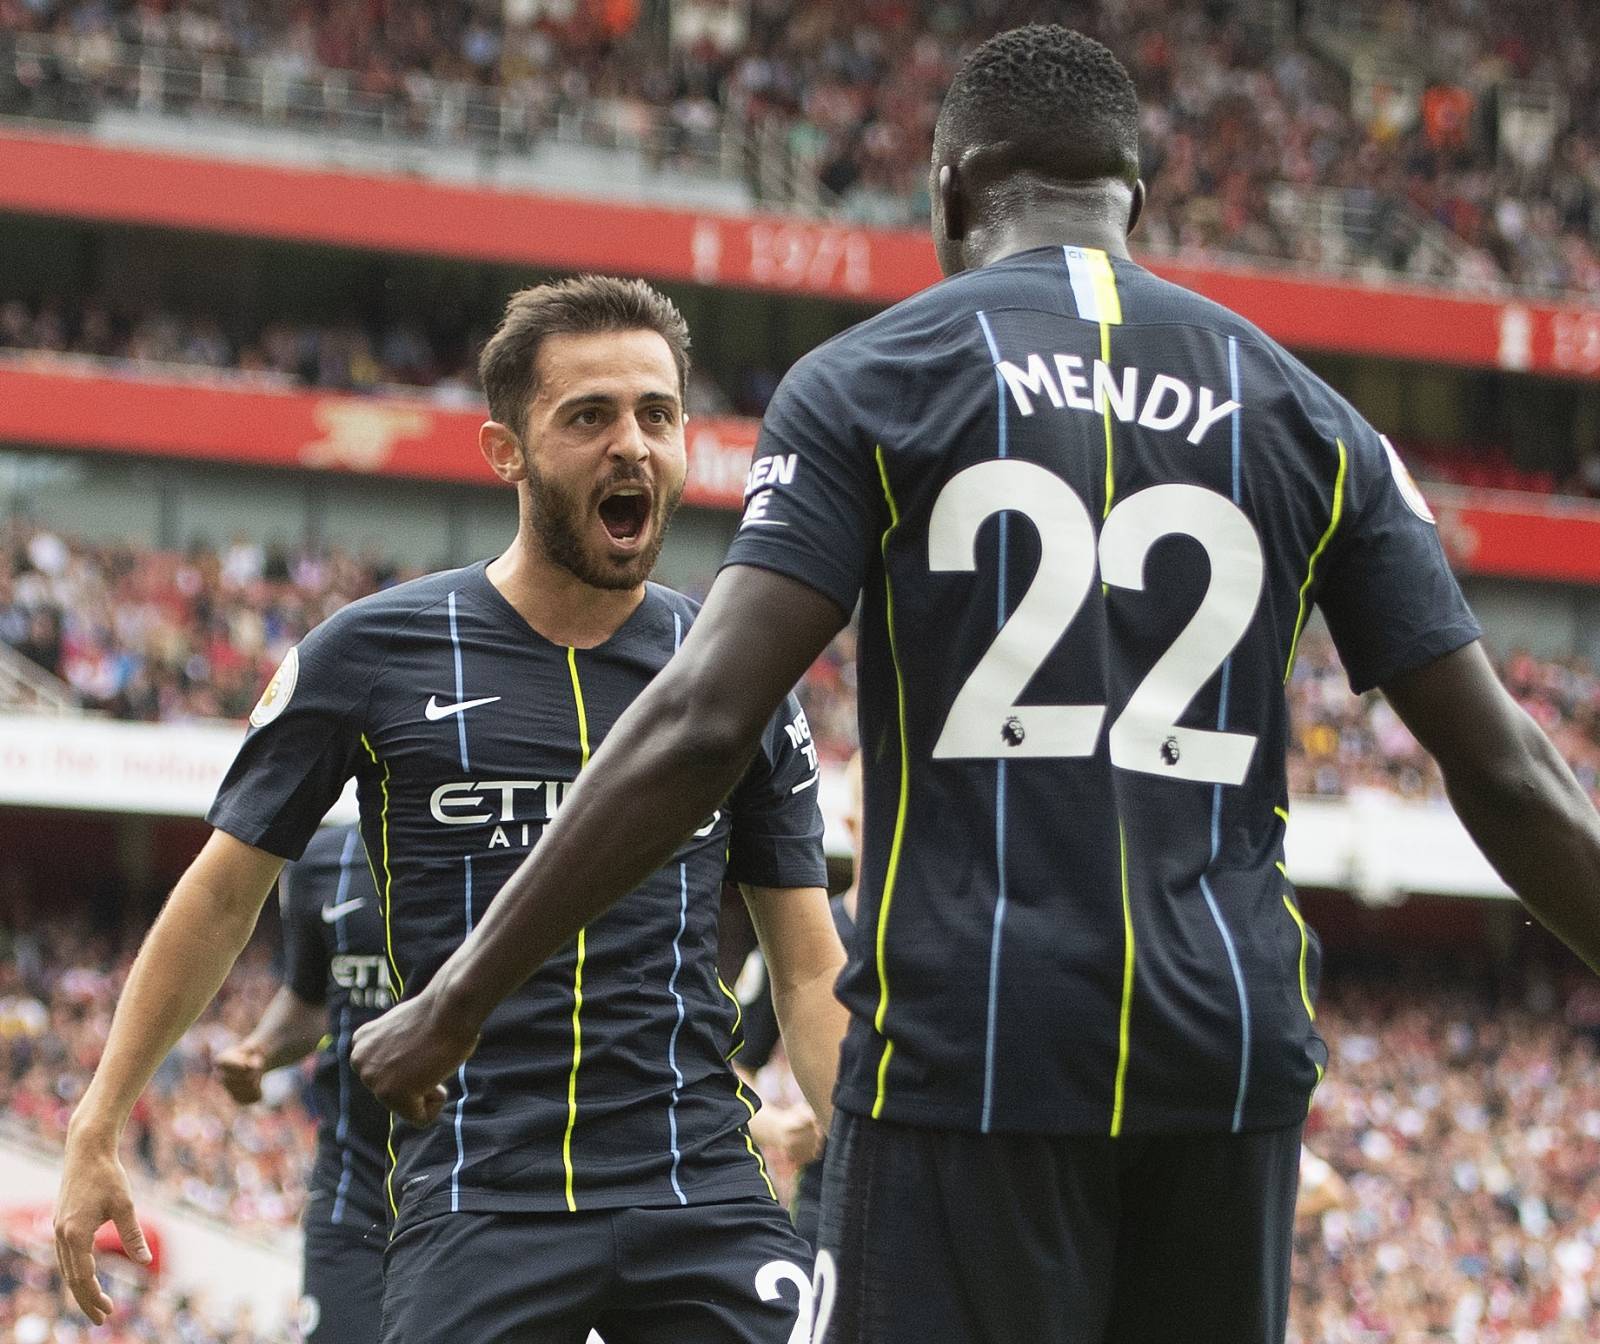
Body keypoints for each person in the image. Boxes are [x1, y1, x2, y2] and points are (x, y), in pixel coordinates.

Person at [350, 26, 1600, 1344]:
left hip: (971, 1059)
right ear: (1136, 196)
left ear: (949, 190)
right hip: (1227, 1069)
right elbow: (1509, 774)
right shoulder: (1312, 417)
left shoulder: (869, 384)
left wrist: (456, 998)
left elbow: (705, 719)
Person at [54, 275, 849, 1344]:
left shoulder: (735, 670)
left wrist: (869, 1161)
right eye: (589, 416)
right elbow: (221, 896)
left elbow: (806, 963)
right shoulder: (366, 656)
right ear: (504, 451)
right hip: (478, 1199)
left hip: (701, 1189)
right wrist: (98, 1122)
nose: (634, 445)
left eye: (658, 415)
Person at [215, 823, 392, 1344]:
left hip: (468, 1187)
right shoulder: (321, 861)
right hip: (352, 1191)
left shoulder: (493, 845)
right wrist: (261, 1049)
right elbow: (311, 1001)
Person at [737, 750, 861, 1247]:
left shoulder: (953, 942)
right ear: (851, 823)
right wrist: (777, 1125)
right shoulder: (807, 940)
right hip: (830, 1207)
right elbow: (728, 1064)